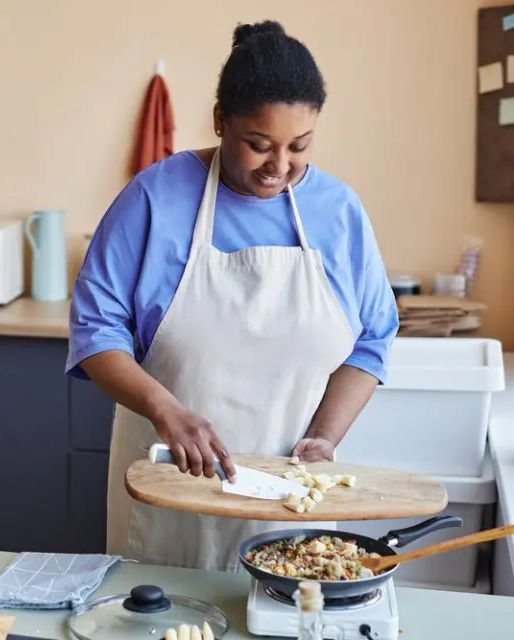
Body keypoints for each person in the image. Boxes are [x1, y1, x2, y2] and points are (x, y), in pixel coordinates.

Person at [66, 20, 399, 572]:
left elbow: (372, 340)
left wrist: (324, 436)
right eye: (259, 144)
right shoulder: (155, 199)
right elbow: (95, 333)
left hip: (290, 506)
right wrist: (165, 410)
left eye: (300, 147)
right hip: (169, 494)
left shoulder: (338, 213)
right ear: (220, 120)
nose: (279, 166)